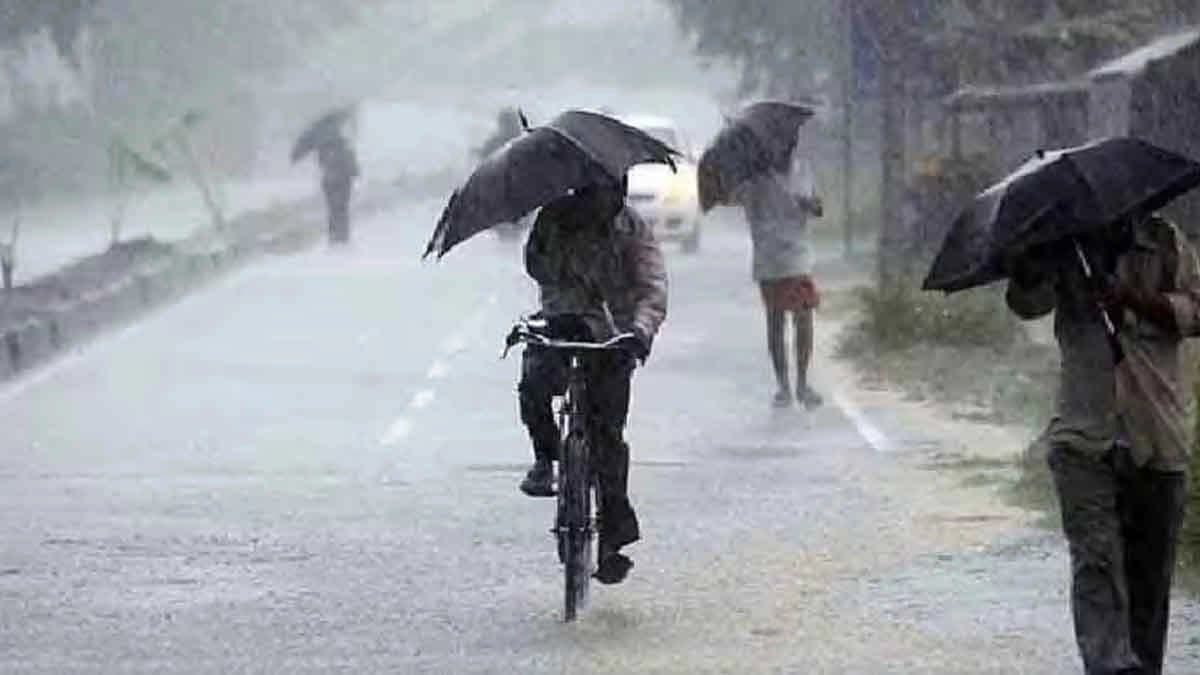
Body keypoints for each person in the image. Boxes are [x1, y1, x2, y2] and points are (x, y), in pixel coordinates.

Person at [1005, 212, 1199, 675]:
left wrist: (1133, 299)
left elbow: (1196, 311)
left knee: (1148, 578)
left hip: (1157, 431)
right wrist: (1027, 265)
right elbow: (1026, 303)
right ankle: (1109, 667)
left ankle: (1139, 665)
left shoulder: (1165, 242)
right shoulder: (1062, 244)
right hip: (1082, 434)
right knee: (1096, 561)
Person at [518, 177, 667, 584]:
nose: (601, 202)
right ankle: (546, 459)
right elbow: (534, 265)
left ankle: (613, 541)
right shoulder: (554, 217)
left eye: (609, 193)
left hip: (615, 337)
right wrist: (557, 250)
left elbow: (652, 287)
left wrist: (639, 331)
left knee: (609, 440)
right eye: (592, 192)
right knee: (533, 384)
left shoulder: (632, 229)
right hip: (562, 324)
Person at [734, 146, 824, 409]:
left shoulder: (802, 170)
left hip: (797, 255)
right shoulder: (754, 178)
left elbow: (818, 207)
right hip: (769, 256)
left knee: (804, 317)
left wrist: (808, 203)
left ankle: (802, 383)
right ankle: (783, 385)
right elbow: (739, 201)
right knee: (776, 321)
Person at [316, 133, 359, 245]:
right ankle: (343, 235)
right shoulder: (347, 151)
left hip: (329, 184)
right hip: (343, 184)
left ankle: (333, 235)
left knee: (332, 209)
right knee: (342, 209)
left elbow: (321, 165)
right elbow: (355, 171)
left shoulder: (324, 150)